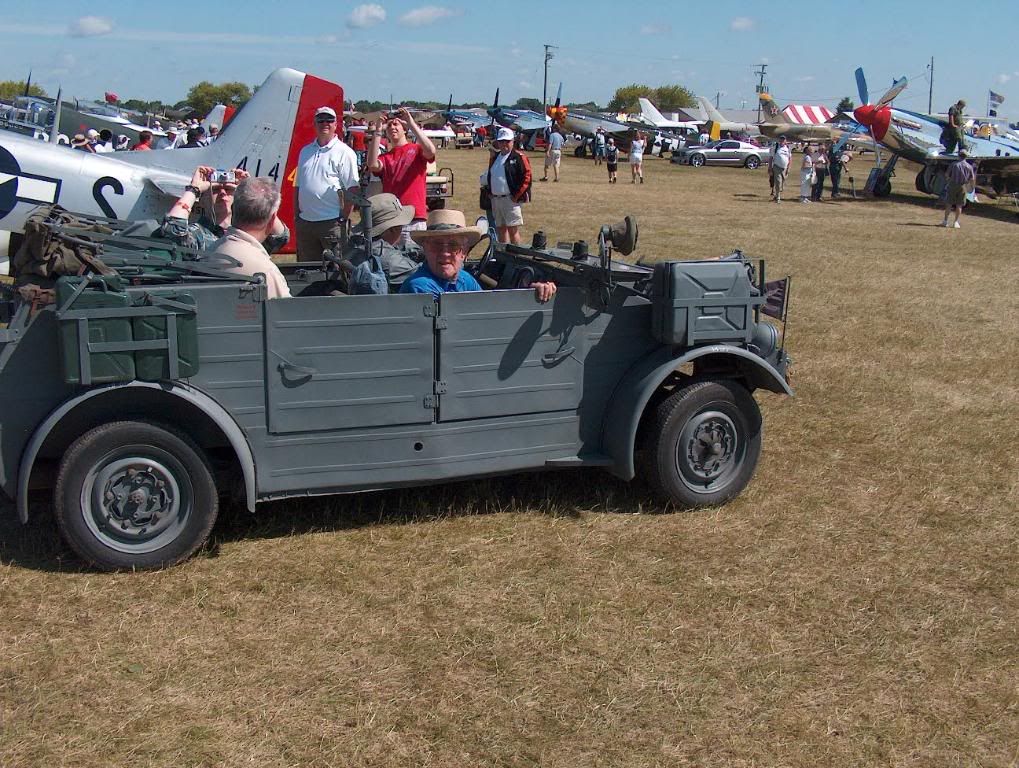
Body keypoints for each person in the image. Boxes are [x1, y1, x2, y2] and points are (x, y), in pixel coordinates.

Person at [400, 209, 555, 303]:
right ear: (425, 249)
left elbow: (487, 309)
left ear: (464, 252)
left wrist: (530, 294)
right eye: (436, 245)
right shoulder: (419, 287)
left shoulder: (464, 279)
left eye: (454, 245)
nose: (445, 253)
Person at [158, 165, 290, 253]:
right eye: (215, 190)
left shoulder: (248, 232)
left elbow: (280, 238)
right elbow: (172, 231)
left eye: (228, 189)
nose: (222, 193)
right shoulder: (197, 234)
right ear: (202, 199)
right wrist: (194, 189)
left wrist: (253, 192)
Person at [294, 105, 359, 260]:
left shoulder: (345, 152)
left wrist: (343, 219)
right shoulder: (305, 151)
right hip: (305, 223)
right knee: (306, 271)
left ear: (336, 125)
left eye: (329, 120)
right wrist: (297, 215)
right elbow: (298, 185)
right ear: (314, 124)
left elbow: (353, 188)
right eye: (321, 120)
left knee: (337, 272)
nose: (325, 123)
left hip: (332, 223)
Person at [209, 177, 291, 299]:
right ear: (273, 219)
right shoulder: (266, 272)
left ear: (233, 209)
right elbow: (286, 314)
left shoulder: (211, 250)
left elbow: (281, 236)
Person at [365, 107, 437, 245]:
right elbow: (372, 164)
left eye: (396, 124)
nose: (392, 127)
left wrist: (410, 122)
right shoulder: (385, 157)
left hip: (414, 218)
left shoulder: (416, 150)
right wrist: (378, 131)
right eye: (390, 125)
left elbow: (431, 150)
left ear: (404, 129)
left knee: (415, 261)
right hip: (391, 220)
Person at [342, 192, 422, 290]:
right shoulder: (388, 259)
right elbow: (421, 273)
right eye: (400, 225)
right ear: (392, 229)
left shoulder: (359, 245)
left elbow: (398, 249)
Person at [483, 127, 531, 244]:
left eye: (507, 141)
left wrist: (516, 196)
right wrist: (490, 193)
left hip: (510, 199)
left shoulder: (519, 157)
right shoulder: (495, 158)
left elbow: (527, 177)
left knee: (513, 230)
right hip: (496, 199)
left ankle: (516, 258)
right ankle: (503, 257)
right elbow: (490, 175)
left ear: (513, 141)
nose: (504, 144)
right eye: (501, 141)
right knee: (500, 229)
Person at [941, 150, 975, 228]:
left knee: (949, 203)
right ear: (966, 156)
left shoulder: (953, 164)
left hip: (953, 184)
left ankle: (945, 221)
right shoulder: (969, 166)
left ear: (959, 155)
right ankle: (955, 222)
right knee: (959, 205)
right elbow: (972, 179)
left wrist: (948, 181)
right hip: (963, 186)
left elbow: (947, 174)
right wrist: (971, 187)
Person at [769, 135, 792, 203]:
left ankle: (776, 195)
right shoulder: (775, 147)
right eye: (781, 139)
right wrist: (770, 167)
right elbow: (771, 158)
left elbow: (790, 158)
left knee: (782, 183)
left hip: (784, 168)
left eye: (783, 140)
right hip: (777, 166)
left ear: (785, 141)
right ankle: (778, 198)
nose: (782, 141)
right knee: (778, 182)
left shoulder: (787, 148)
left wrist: (789, 167)